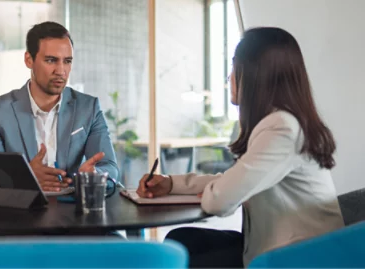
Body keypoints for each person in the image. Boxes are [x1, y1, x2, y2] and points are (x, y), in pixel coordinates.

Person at [136, 27, 344, 268]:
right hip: (274, 246)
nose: (230, 77)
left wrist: (219, 190)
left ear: (255, 74)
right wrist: (172, 184)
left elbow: (219, 200)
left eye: (235, 67)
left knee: (188, 259)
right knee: (181, 240)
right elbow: (231, 182)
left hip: (299, 258)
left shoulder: (282, 129)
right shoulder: (282, 122)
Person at [0, 21, 119, 192]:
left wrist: (93, 175)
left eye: (67, 61)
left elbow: (110, 168)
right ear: (29, 60)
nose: (61, 70)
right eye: (51, 60)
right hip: (17, 215)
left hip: (73, 214)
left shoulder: (88, 108)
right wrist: (25, 177)